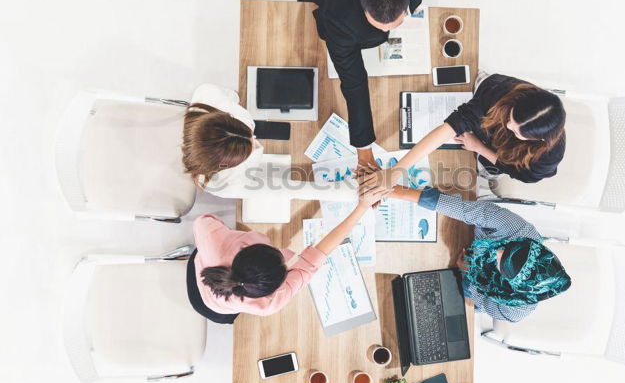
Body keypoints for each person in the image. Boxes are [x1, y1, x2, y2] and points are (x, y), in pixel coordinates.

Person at [297, 0, 439, 167]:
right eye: (378, 25)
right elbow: (354, 82)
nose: (385, 33)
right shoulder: (337, 14)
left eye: (395, 22)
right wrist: (364, 154)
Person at [369, 184, 571, 322]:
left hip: (471, 284)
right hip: (460, 236)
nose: (498, 252)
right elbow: (462, 209)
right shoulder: (516, 228)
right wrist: (390, 190)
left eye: (502, 263)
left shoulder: (514, 311)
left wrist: (466, 275)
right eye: (507, 248)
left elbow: (480, 301)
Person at [188, 187, 387, 321]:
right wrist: (361, 208)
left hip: (203, 269)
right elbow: (320, 253)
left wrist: (362, 206)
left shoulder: (212, 238)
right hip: (212, 306)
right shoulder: (268, 304)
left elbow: (205, 221)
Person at [359, 72, 566, 190]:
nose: (510, 126)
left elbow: (521, 174)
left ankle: (487, 157)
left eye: (519, 132)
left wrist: (480, 148)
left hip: (495, 151)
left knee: (490, 164)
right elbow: (450, 127)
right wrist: (396, 171)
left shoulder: (547, 158)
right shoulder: (502, 93)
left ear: (538, 140)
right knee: (478, 103)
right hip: (490, 96)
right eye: (512, 119)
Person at [181, 83, 355, 202]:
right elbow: (296, 190)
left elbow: (232, 96)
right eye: (247, 152)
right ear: (225, 165)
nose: (256, 142)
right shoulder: (221, 183)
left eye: (249, 136)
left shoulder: (207, 95)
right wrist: (357, 194)